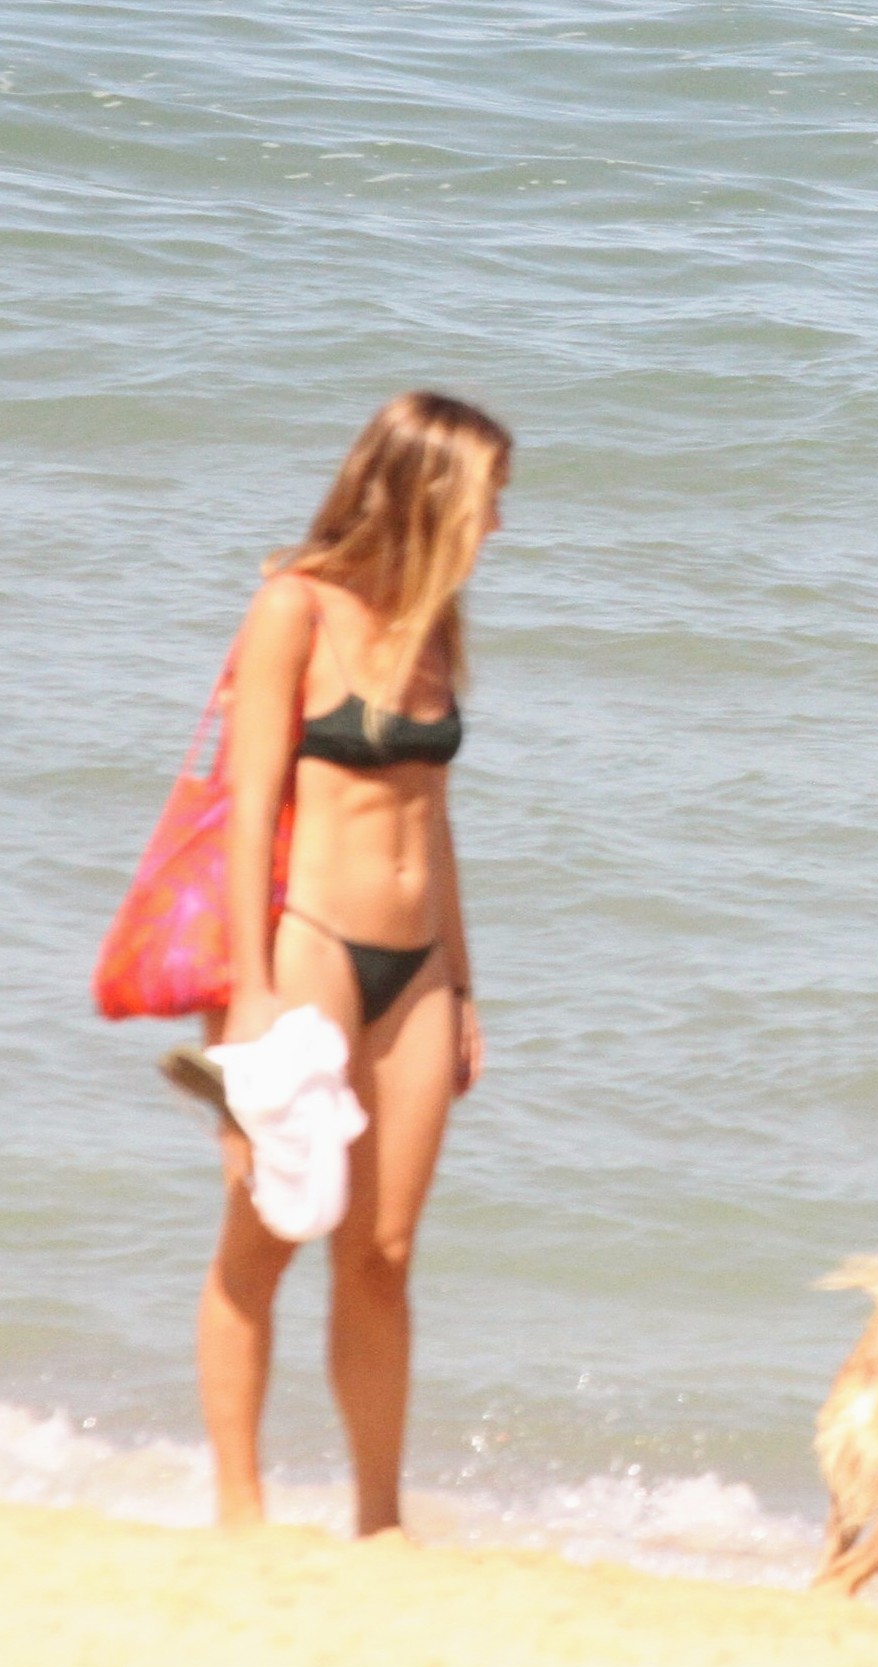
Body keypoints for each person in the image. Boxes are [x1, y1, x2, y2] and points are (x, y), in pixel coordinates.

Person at [198, 391, 510, 1533]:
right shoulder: (295, 606)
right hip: (307, 951)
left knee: (381, 1251)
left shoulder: (437, 622)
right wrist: (250, 987)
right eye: (488, 497)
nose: (498, 523)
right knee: (270, 1231)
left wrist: (464, 984)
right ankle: (241, 1508)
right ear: (425, 487)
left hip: (419, 967)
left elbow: (433, 820)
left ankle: (379, 1523)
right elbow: (248, 804)